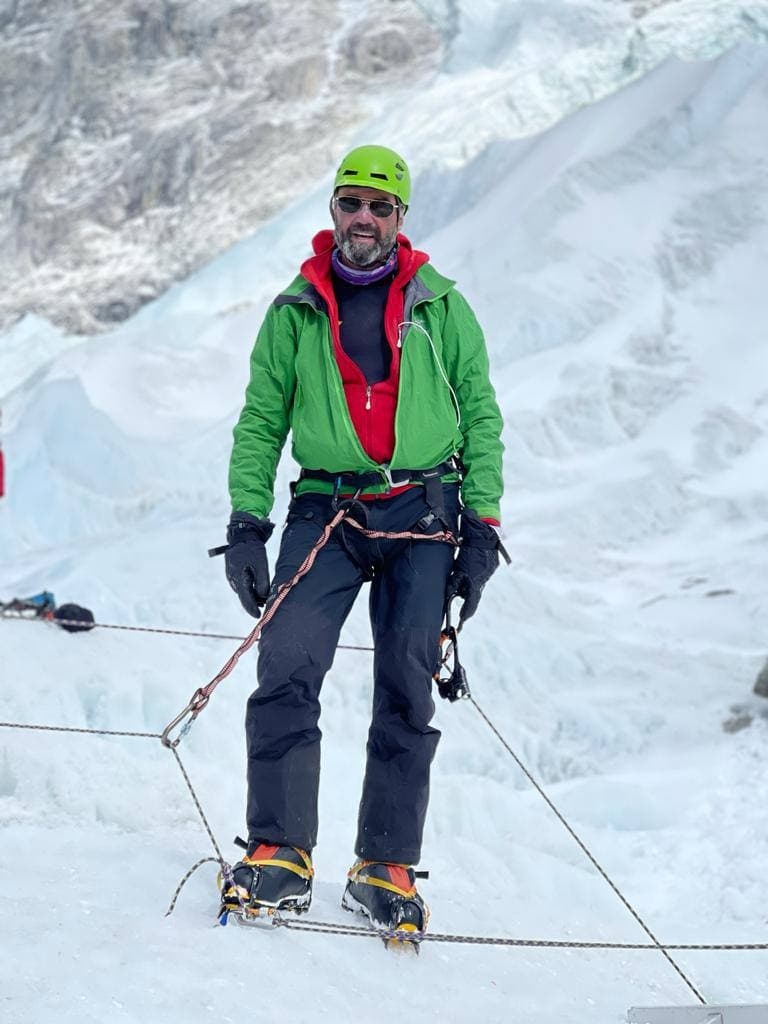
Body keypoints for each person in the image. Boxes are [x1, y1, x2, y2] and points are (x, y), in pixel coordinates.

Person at [221, 144, 504, 933]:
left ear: (401, 217)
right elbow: (261, 420)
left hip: (424, 508)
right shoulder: (294, 310)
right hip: (328, 509)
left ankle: (385, 865)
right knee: (287, 662)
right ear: (334, 211)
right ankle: (279, 850)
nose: (365, 218)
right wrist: (246, 522)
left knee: (408, 681)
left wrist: (482, 525)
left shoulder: (442, 306)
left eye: (381, 206)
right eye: (352, 203)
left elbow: (481, 414)